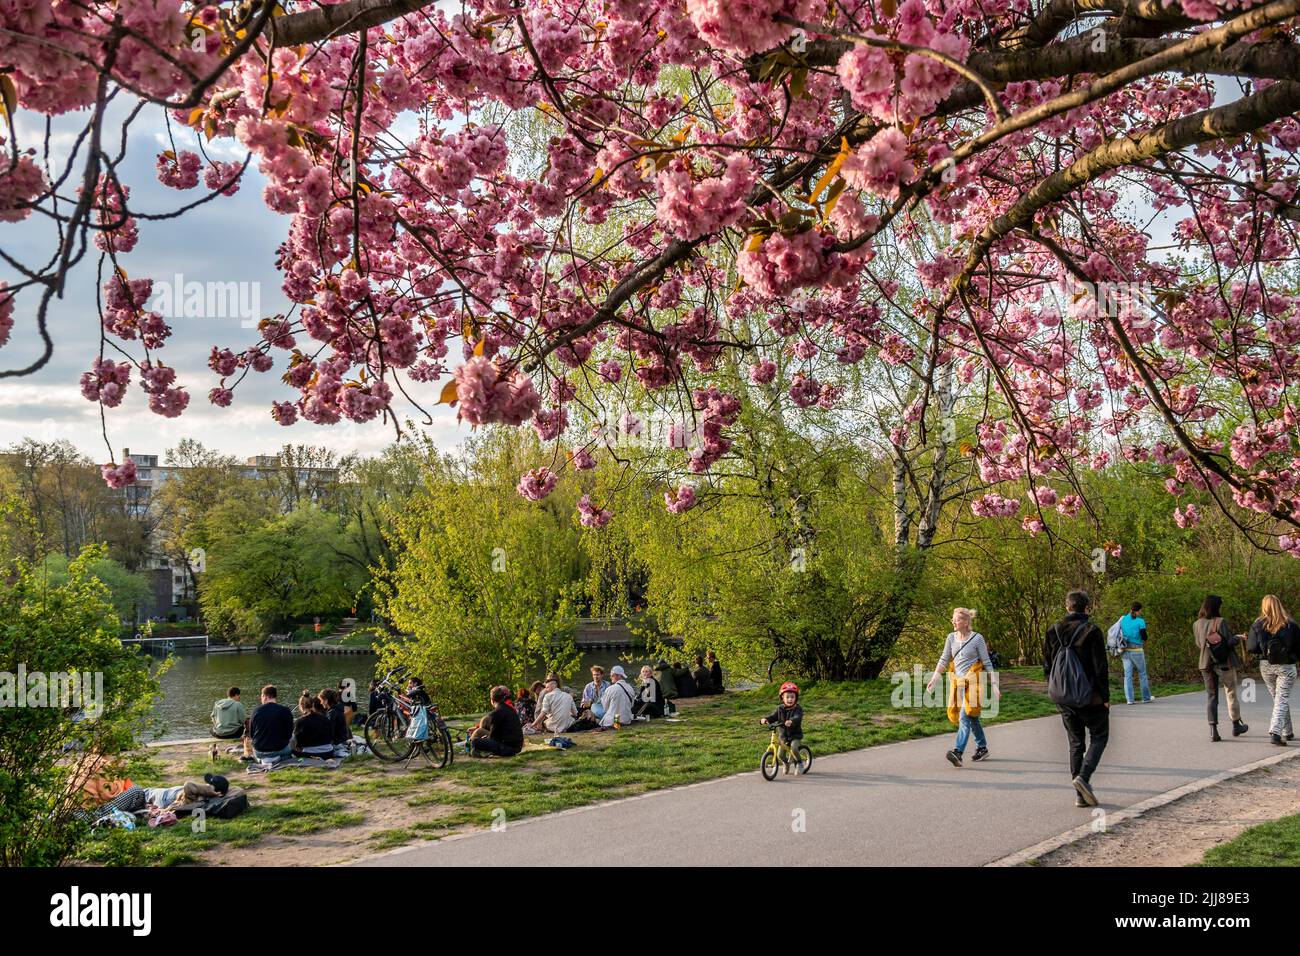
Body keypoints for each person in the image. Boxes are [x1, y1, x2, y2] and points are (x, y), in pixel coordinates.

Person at [1043, 590, 1110, 808]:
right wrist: (1105, 696)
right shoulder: (1092, 630)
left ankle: (1079, 796)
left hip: (1064, 697)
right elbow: (1100, 668)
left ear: (1067, 607)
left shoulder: (1053, 631)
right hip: (1089, 697)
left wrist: (1055, 688)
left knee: (1076, 742)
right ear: (1087, 608)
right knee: (1100, 736)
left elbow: (1048, 665)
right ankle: (1084, 776)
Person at [927, 607, 996, 767]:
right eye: (953, 619)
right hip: (958, 683)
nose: (953, 621)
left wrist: (995, 685)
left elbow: (986, 662)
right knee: (972, 717)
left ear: (965, 622)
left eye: (956, 619)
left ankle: (958, 752)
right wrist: (934, 678)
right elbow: (944, 659)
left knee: (965, 716)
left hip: (973, 682)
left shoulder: (977, 639)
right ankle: (982, 748)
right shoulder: (950, 638)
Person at [1194, 594, 1249, 742]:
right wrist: (1238, 638)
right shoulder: (1221, 621)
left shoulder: (1197, 624)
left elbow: (1199, 644)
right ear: (1216, 606)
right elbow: (1228, 643)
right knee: (1231, 693)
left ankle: (1213, 730)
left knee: (1211, 696)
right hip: (1224, 663)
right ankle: (1236, 725)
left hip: (1205, 664)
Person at [1247, 594, 1300, 746]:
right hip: (1286, 666)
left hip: (1266, 666)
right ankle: (1275, 733)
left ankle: (1287, 731)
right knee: (1281, 699)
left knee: (1279, 698)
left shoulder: (1258, 624)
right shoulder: (1291, 624)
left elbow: (1251, 648)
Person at [761, 682, 804, 774]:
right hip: (783, 736)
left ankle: (800, 763)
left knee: (794, 749)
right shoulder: (780, 709)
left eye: (792, 697)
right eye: (787, 697)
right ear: (782, 698)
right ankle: (786, 763)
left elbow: (797, 717)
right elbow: (774, 716)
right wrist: (766, 719)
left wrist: (791, 721)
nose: (790, 699)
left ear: (796, 698)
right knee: (780, 755)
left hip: (795, 735)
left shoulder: (798, 709)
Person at [470, 685, 524, 757]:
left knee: (475, 741)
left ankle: (483, 751)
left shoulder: (496, 713)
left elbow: (494, 737)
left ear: (492, 700)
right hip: (518, 746)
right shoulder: (510, 709)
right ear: (503, 698)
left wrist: (486, 739)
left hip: (508, 748)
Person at [244, 685, 294, 762]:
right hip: (280, 749)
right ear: (275, 696)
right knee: (291, 742)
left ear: (265, 696)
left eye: (261, 696)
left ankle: (262, 760)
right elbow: (289, 733)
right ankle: (284, 759)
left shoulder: (255, 711)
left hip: (260, 751)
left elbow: (252, 734)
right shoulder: (286, 710)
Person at [1119, 602, 1154, 705]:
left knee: (1127, 676)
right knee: (1142, 674)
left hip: (1125, 651)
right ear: (1138, 611)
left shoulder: (1123, 619)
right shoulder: (1140, 621)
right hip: (1137, 651)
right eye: (1140, 610)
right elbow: (1144, 637)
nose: (1141, 612)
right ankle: (1146, 698)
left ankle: (1130, 699)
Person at [293, 690, 335, 758]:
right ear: (312, 704)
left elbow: (298, 742)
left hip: (310, 754)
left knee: (292, 739)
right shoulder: (325, 719)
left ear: (301, 706)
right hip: (328, 752)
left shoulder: (300, 721)